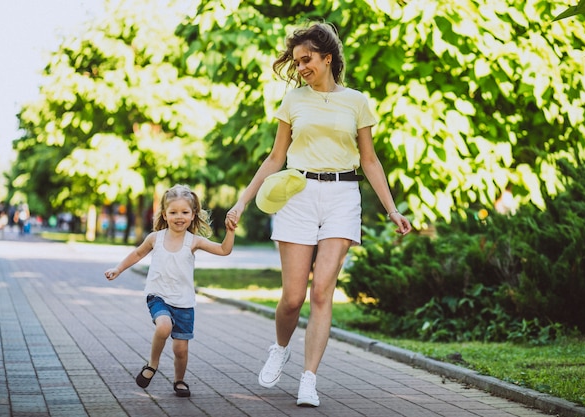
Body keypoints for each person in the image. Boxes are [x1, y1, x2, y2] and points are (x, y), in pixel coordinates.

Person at [225, 22, 412, 407]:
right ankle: (280, 348)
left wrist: (392, 208)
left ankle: (309, 379)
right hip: (298, 193)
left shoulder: (357, 101)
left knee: (322, 291)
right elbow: (276, 157)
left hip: (344, 195)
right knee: (293, 298)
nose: (301, 67)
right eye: (296, 62)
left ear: (328, 58)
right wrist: (242, 201)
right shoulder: (294, 101)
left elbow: (370, 160)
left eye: (307, 59)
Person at [105, 185, 236, 397]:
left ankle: (179, 380)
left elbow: (223, 250)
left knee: (180, 350)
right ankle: (152, 365)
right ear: (164, 215)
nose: (179, 217)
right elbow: (137, 254)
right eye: (173, 212)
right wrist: (118, 269)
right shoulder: (155, 238)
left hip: (184, 302)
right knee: (164, 326)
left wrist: (230, 231)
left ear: (193, 215)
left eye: (184, 212)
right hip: (158, 295)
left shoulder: (193, 241)